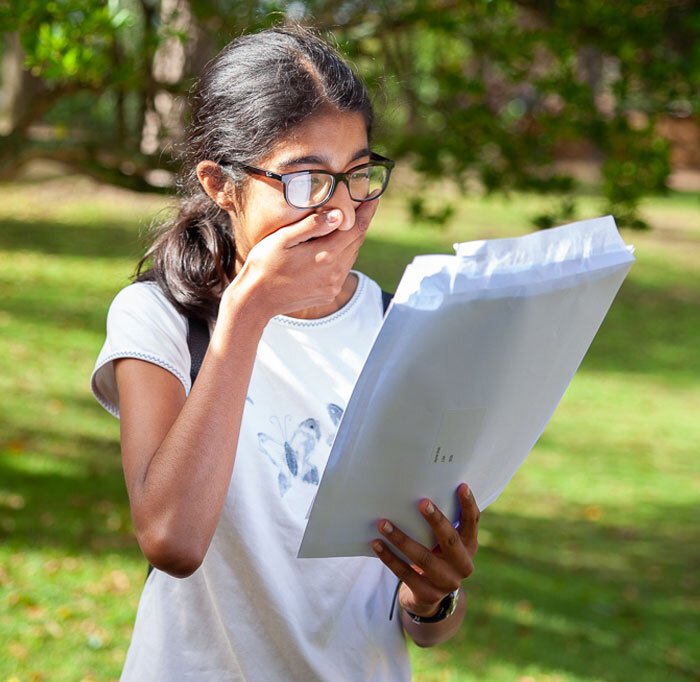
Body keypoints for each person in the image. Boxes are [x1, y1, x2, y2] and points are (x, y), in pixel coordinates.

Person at [91, 24, 479, 681]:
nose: (341, 213)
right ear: (221, 184)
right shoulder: (159, 320)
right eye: (306, 182)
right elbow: (172, 541)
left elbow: (424, 623)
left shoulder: (400, 330)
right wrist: (245, 314)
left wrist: (433, 596)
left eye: (359, 175)